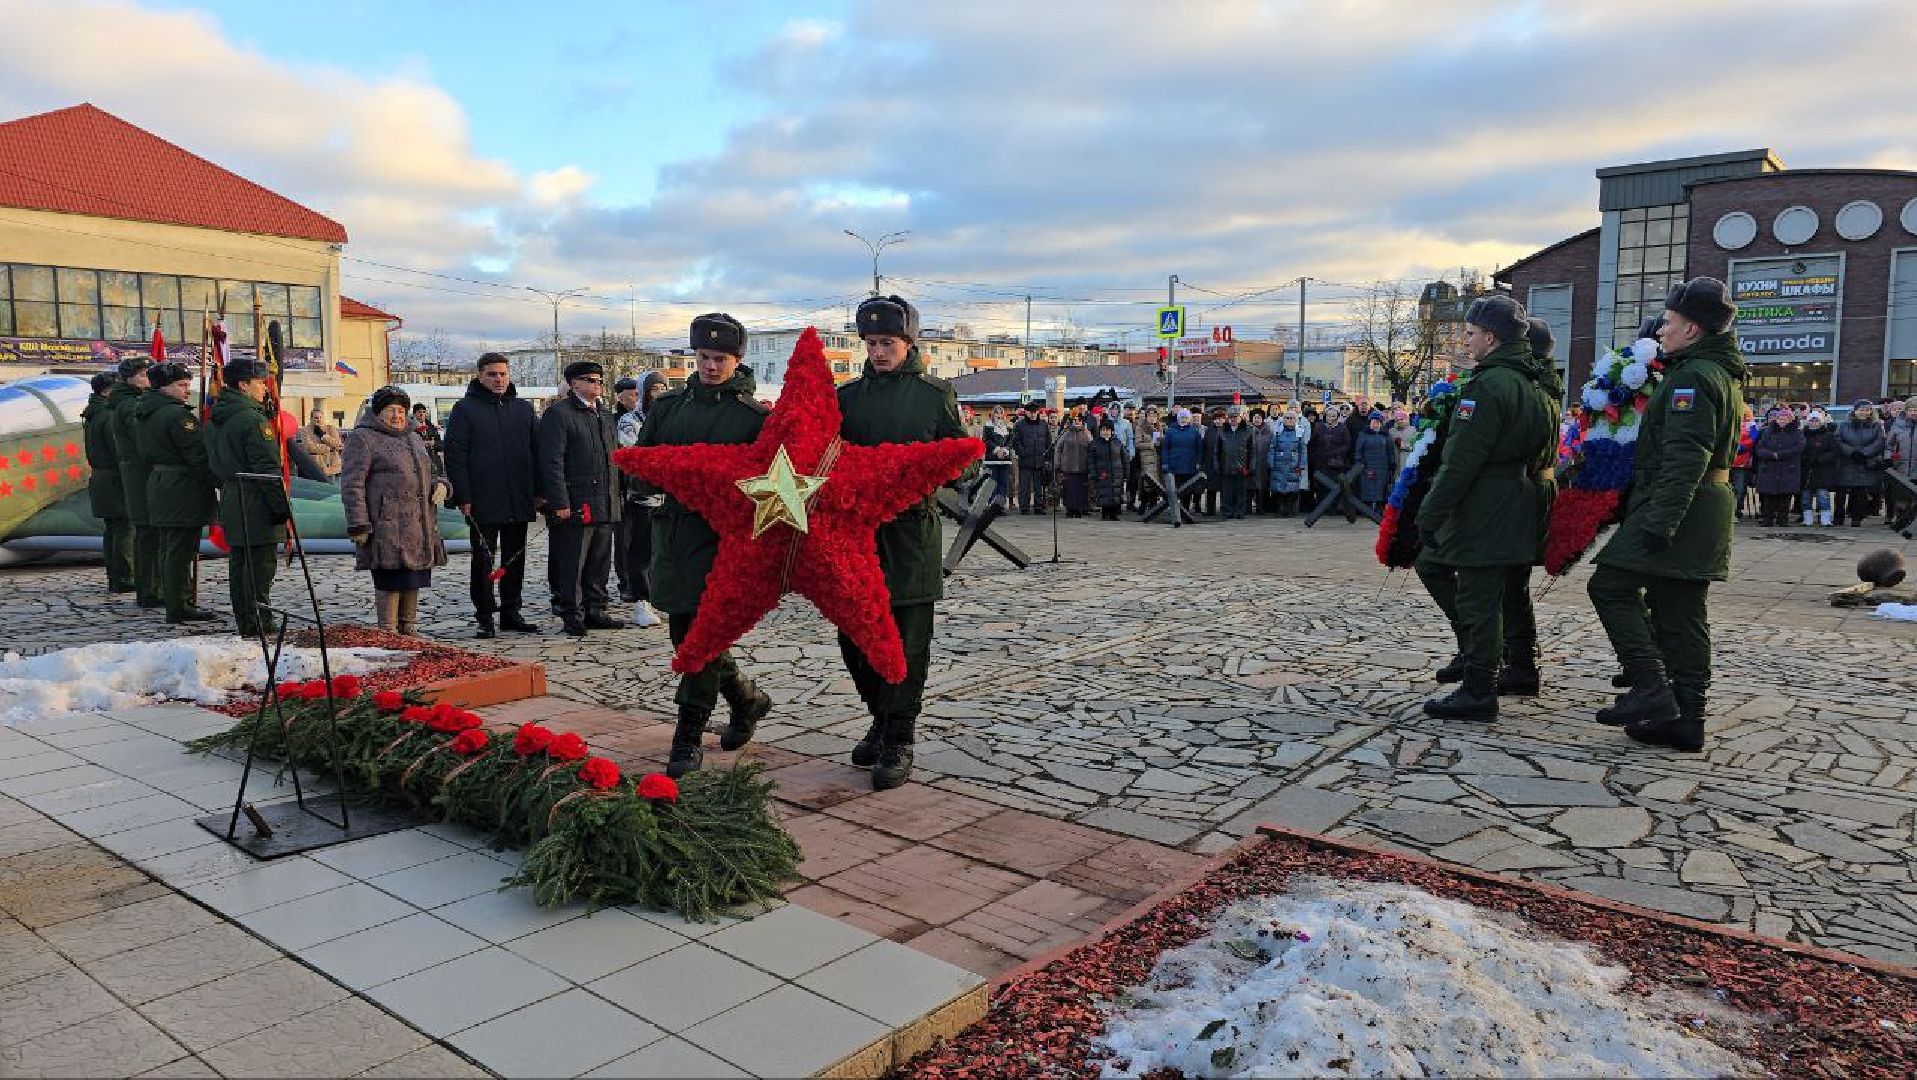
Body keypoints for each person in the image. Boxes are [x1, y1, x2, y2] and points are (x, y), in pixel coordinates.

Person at [1587, 278, 1747, 753]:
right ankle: (1686, 718)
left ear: (1692, 329)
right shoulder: (1714, 371)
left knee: (1609, 585)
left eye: (1670, 322)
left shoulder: (1693, 377)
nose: (1661, 330)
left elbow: (1686, 455)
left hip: (1683, 505)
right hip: (1701, 504)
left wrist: (1661, 521)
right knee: (1680, 611)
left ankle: (1650, 685)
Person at [837, 294, 969, 790]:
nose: (877, 352)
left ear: (908, 343)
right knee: (854, 637)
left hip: (911, 533)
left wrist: (935, 473)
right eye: (871, 343)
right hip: (857, 536)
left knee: (907, 642)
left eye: (887, 343)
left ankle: (899, 736)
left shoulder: (934, 396)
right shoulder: (847, 399)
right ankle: (880, 715)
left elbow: (963, 458)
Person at [635, 314, 772, 777]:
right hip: (674, 534)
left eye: (721, 358)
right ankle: (745, 699)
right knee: (686, 633)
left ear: (737, 360)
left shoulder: (754, 418)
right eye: (703, 357)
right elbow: (643, 463)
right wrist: (646, 479)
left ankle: (688, 733)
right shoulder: (668, 407)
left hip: (723, 540)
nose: (711, 366)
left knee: (703, 636)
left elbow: (768, 486)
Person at [1415, 294, 1556, 721]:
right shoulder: (1533, 383)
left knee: (1479, 599)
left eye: (1471, 333)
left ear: (1491, 338)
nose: (1467, 340)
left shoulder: (1489, 385)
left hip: (1487, 504)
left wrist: (1429, 514)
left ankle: (1478, 689)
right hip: (1520, 499)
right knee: (1509, 591)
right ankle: (1515, 669)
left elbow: (1461, 461)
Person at [444, 352, 543, 638]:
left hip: (518, 497)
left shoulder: (523, 409)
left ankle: (511, 611)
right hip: (481, 499)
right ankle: (485, 615)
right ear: (479, 376)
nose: (499, 379)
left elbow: (537, 452)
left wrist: (539, 492)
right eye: (492, 374)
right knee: (483, 561)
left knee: (515, 559)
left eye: (503, 374)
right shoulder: (464, 409)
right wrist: (463, 496)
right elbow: (455, 456)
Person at [341, 386, 447, 635]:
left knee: (413, 576)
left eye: (401, 410)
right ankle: (387, 632)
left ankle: (408, 628)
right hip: (386, 525)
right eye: (391, 410)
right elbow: (352, 484)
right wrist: (358, 523)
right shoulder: (363, 438)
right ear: (378, 412)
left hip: (418, 525)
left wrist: (441, 485)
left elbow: (430, 471)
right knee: (390, 579)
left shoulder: (414, 437)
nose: (397, 415)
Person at [206, 358, 292, 636]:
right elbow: (267, 470)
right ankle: (258, 622)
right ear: (243, 385)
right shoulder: (253, 420)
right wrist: (281, 509)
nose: (265, 389)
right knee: (259, 566)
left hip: (232, 493)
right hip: (255, 496)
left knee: (240, 563)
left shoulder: (217, 417)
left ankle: (246, 619)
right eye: (259, 383)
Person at [537, 360, 624, 636]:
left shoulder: (605, 415)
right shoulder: (559, 414)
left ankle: (595, 609)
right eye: (590, 380)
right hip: (576, 502)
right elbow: (552, 462)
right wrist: (560, 502)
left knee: (599, 561)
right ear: (574, 384)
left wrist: (618, 495)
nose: (597, 384)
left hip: (605, 500)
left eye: (599, 380)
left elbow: (614, 458)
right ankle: (571, 613)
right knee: (573, 562)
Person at [134, 363, 219, 624]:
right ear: (163, 387)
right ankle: (179, 604)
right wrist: (218, 480)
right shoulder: (177, 416)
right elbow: (197, 456)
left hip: (161, 482)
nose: (187, 390)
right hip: (182, 485)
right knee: (181, 551)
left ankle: (176, 600)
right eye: (181, 385)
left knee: (170, 548)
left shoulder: (145, 411)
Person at [615, 371, 668, 624]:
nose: (659, 394)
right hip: (643, 496)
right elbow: (634, 455)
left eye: (663, 389)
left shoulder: (670, 418)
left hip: (669, 496)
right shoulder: (630, 421)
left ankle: (661, 596)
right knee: (642, 551)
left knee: (665, 551)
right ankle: (641, 600)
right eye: (654, 389)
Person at [111, 356, 162, 609]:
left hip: (138, 470)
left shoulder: (129, 401)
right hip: (140, 472)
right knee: (148, 532)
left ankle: (150, 588)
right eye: (143, 375)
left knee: (147, 532)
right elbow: (144, 435)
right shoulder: (130, 404)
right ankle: (150, 589)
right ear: (129, 379)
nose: (148, 380)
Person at [82, 371, 134, 594]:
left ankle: (116, 576)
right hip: (115, 477)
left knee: (113, 530)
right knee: (124, 529)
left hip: (102, 478)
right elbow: (118, 450)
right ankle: (125, 577)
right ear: (106, 391)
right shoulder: (109, 415)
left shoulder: (94, 413)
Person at [1835, 399, 1885, 527]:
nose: (1864, 412)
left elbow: (1879, 442)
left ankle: (1857, 517)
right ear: (1855, 410)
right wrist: (1851, 452)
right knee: (1841, 491)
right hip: (1847, 461)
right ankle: (1838, 517)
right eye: (1861, 409)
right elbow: (1838, 440)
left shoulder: (1876, 425)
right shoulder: (1844, 425)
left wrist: (1864, 453)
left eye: (1867, 410)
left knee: (1860, 491)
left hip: (1865, 461)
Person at [1751, 407, 1805, 527]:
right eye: (1780, 418)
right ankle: (1767, 519)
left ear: (1790, 420)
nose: (1782, 420)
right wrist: (1772, 455)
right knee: (1768, 496)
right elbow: (1760, 448)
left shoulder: (1797, 433)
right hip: (1769, 467)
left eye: (1785, 418)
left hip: (1788, 468)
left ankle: (1783, 520)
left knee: (1785, 496)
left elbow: (1799, 448)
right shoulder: (1768, 431)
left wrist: (1780, 455)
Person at [1215, 404, 1255, 519]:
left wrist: (1251, 467)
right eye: (1231, 417)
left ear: (1240, 417)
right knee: (1227, 492)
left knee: (1241, 492)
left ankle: (1239, 512)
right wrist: (1217, 465)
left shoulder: (1248, 431)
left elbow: (1253, 451)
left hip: (1242, 467)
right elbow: (1216, 451)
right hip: (1226, 466)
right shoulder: (1222, 431)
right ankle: (1227, 512)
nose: (1233, 419)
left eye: (1236, 417)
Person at [1800, 408, 1840, 527]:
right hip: (1806, 470)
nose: (1813, 423)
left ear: (1821, 422)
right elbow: (1799, 450)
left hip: (1823, 470)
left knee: (1823, 495)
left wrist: (1820, 459)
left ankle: (1826, 519)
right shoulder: (1802, 435)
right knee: (1805, 496)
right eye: (1811, 420)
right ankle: (1807, 518)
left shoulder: (1828, 436)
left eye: (1816, 420)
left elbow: (1834, 452)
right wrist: (1805, 459)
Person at [1161, 407, 1205, 514]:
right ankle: (1175, 510)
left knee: (1187, 490)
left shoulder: (1195, 432)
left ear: (1189, 419)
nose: (1184, 419)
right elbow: (1165, 448)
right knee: (1174, 489)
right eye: (1182, 417)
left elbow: (1199, 449)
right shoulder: (1170, 431)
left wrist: (1198, 462)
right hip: (1174, 465)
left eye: (1186, 417)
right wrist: (1165, 462)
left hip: (1189, 465)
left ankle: (1185, 510)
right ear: (1178, 418)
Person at [1267, 409, 1309, 516]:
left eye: (1292, 418)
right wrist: (1271, 462)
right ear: (1283, 419)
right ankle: (1280, 511)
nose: (1290, 420)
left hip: (1293, 465)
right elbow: (1272, 448)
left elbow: (1303, 450)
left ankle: (1291, 511)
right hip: (1279, 465)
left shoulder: (1299, 433)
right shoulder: (1278, 432)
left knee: (1292, 489)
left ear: (1296, 420)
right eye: (1287, 418)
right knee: (1279, 490)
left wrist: (1301, 465)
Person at [1012, 401, 1051, 514]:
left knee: (1038, 486)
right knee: (1024, 485)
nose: (1033, 414)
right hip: (1025, 460)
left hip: (1040, 459)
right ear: (1026, 412)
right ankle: (1024, 507)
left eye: (1035, 412)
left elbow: (1048, 441)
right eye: (1031, 412)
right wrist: (1023, 453)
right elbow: (1016, 442)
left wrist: (1047, 456)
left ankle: (1038, 506)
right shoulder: (1020, 425)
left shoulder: (1043, 424)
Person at [1354, 410, 1396, 513]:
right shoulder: (1363, 434)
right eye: (1373, 422)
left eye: (1377, 422)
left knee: (1381, 488)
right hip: (1367, 466)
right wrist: (1359, 462)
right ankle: (1366, 509)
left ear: (1381, 423)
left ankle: (1379, 508)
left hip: (1382, 466)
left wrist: (1392, 464)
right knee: (1367, 488)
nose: (1375, 424)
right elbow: (1358, 450)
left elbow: (1390, 451)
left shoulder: (1386, 435)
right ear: (1370, 423)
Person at [1887, 396, 1917, 531]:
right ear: (1906, 411)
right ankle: (1900, 520)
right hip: (1901, 466)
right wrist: (1889, 458)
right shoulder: (1898, 425)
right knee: (1901, 496)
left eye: (1916, 410)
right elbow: (1889, 445)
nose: (1914, 412)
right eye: (1911, 410)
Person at [1054, 414, 1092, 517]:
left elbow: (1091, 449)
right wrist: (1057, 464)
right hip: (1068, 467)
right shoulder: (1066, 433)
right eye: (1075, 420)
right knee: (1069, 490)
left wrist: (1090, 466)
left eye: (1079, 420)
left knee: (1080, 490)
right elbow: (1058, 448)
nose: (1077, 422)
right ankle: (1069, 510)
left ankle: (1079, 509)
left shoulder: (1086, 434)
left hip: (1082, 468)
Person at [1091, 419, 1127, 520]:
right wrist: (1093, 473)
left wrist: (1126, 473)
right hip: (1102, 472)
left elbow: (1124, 458)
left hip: (1116, 473)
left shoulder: (1117, 442)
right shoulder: (1095, 443)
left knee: (1115, 493)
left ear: (1111, 431)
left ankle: (1113, 514)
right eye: (1103, 430)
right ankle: (1105, 513)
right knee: (1104, 493)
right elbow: (1091, 460)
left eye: (1107, 430)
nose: (1105, 432)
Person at [300, 408, 344, 480]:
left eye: (320, 417)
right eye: (316, 418)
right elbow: (310, 447)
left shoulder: (330, 428)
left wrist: (324, 436)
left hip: (333, 467)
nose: (319, 420)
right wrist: (329, 448)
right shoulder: (305, 430)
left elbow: (338, 445)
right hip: (318, 467)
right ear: (311, 418)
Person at [1248, 407, 1272, 514]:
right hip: (1249, 463)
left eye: (1259, 417)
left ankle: (1261, 507)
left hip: (1264, 462)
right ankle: (1247, 507)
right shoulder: (1247, 430)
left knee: (1262, 486)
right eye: (1255, 417)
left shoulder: (1268, 431)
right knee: (1249, 486)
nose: (1257, 419)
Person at [410, 403, 444, 474]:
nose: (422, 414)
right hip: (417, 466)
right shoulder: (409, 428)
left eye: (424, 412)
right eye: (419, 412)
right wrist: (421, 444)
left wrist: (434, 443)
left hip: (434, 465)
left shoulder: (432, 427)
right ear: (414, 414)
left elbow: (441, 446)